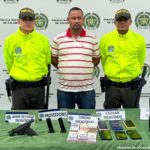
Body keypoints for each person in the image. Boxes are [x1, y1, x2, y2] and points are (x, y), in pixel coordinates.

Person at [52, 7, 100, 109]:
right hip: (65, 90)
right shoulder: (58, 39)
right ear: (68, 19)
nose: (77, 21)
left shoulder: (92, 39)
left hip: (87, 90)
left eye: (79, 18)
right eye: (73, 18)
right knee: (65, 122)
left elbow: (96, 60)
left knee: (88, 122)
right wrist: (66, 68)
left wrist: (84, 67)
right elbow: (54, 60)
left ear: (83, 19)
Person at [4, 8, 51, 109]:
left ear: (34, 22)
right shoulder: (9, 40)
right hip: (18, 89)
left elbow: (47, 61)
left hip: (38, 88)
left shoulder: (43, 40)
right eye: (24, 19)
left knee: (39, 120)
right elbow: (9, 63)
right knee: (18, 119)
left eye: (30, 19)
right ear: (18, 21)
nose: (27, 22)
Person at [100, 9, 146, 108]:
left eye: (125, 20)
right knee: (111, 117)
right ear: (114, 22)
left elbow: (140, 60)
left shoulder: (139, 39)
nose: (122, 23)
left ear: (130, 22)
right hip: (112, 87)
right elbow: (104, 60)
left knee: (132, 119)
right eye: (119, 20)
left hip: (131, 88)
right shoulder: (105, 39)